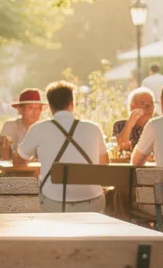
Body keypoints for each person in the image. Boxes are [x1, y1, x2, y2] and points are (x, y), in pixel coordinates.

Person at [17, 82, 109, 213]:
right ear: (72, 104)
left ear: (50, 106)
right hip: (92, 203)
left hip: (55, 204)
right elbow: (104, 164)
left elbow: (19, 159)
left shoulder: (38, 128)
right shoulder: (93, 128)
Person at [0, 88, 44, 161]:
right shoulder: (10, 126)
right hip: (15, 168)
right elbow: (5, 158)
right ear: (20, 109)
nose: (35, 112)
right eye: (30, 108)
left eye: (38, 108)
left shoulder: (44, 128)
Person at [112, 87, 155, 153]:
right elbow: (117, 147)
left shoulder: (157, 126)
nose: (148, 107)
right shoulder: (120, 125)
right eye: (143, 103)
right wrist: (130, 123)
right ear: (132, 106)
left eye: (151, 103)